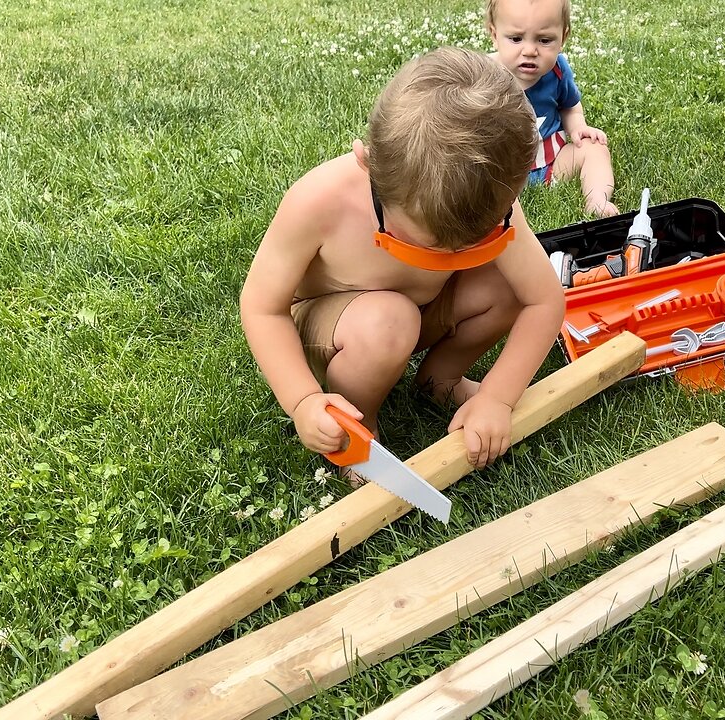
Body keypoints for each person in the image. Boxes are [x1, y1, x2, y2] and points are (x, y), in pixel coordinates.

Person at [240, 47, 565, 471]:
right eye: (417, 245)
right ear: (369, 167)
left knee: (506, 283)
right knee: (388, 321)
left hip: (420, 312)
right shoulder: (320, 202)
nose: (446, 259)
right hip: (339, 323)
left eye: (473, 244)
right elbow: (263, 308)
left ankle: (438, 381)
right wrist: (303, 400)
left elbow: (544, 300)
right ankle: (357, 430)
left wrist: (498, 397)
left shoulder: (490, 198)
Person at [487, 0, 620, 217]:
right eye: (516, 39)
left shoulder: (558, 71)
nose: (530, 50)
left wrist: (578, 128)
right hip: (502, 173)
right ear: (494, 35)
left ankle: (597, 200)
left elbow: (570, 107)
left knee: (595, 148)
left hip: (552, 163)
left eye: (544, 40)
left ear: (563, 38)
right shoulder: (484, 76)